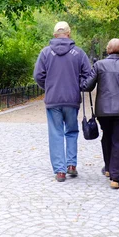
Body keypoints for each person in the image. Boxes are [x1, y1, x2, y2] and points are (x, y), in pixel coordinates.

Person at [34, 21, 92, 182]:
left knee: (56, 133)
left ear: (54, 35)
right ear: (69, 33)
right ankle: (71, 165)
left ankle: (60, 171)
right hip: (72, 99)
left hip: (53, 100)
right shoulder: (79, 53)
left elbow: (38, 75)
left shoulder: (45, 53)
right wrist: (77, 85)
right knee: (72, 131)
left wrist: (48, 87)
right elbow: (89, 75)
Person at [81, 38, 119, 189]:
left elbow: (87, 86)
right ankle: (115, 177)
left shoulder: (99, 65)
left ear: (108, 50)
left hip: (103, 111)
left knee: (107, 137)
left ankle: (108, 168)